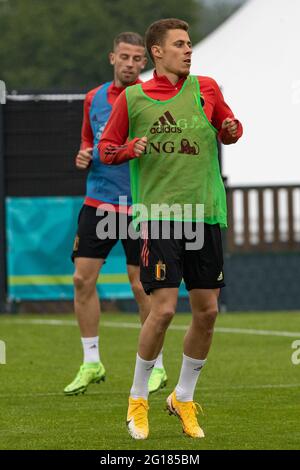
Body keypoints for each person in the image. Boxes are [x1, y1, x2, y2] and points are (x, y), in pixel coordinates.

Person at [99, 18, 243, 439]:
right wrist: (129, 149)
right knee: (162, 309)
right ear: (157, 52)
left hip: (206, 214)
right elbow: (107, 149)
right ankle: (138, 398)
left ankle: (182, 397)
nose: (188, 49)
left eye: (189, 43)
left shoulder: (207, 89)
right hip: (158, 216)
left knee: (208, 311)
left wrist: (233, 131)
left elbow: (230, 129)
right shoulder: (134, 99)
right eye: (179, 44)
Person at [64, 32, 168, 397]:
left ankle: (157, 367)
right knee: (81, 279)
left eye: (137, 58)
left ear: (145, 62)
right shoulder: (93, 98)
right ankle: (91, 361)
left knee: (142, 287)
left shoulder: (150, 96)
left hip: (140, 205)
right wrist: (83, 153)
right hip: (99, 201)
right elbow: (88, 141)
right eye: (124, 56)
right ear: (112, 58)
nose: (130, 63)